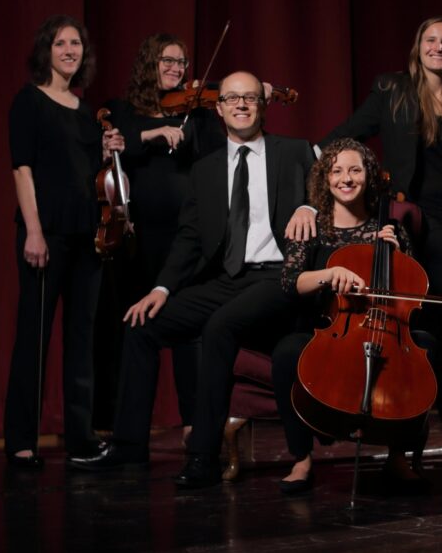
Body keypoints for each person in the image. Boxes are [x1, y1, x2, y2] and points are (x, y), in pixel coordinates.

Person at [68, 70, 315, 489]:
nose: (241, 104)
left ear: (263, 105)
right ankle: (129, 445)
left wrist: (310, 205)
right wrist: (161, 289)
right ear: (218, 109)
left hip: (278, 276)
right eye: (232, 98)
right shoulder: (205, 170)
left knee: (219, 326)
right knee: (141, 326)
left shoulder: (295, 153)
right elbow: (188, 237)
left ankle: (202, 456)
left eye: (250, 98)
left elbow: (336, 191)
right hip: (226, 279)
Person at [305, 16, 442, 466]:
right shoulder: (392, 90)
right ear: (418, 47)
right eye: (431, 40)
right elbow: (343, 136)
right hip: (424, 225)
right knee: (439, 328)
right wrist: (305, 181)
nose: (439, 48)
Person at [272, 138, 435, 494]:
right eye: (337, 171)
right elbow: (290, 282)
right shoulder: (311, 226)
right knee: (286, 352)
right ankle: (301, 458)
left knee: (427, 347)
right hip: (328, 327)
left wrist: (396, 254)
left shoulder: (390, 229)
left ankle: (398, 455)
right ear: (325, 178)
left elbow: (412, 291)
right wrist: (330, 275)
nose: (346, 178)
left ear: (369, 176)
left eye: (355, 170)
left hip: (384, 328)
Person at [5, 14, 125, 468]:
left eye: (77, 43)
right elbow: (23, 170)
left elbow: (91, 178)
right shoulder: (28, 103)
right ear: (46, 51)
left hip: (88, 238)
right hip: (47, 233)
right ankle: (21, 439)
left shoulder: (88, 113)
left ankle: (81, 437)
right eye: (61, 44)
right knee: (33, 338)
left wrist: (108, 151)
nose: (70, 50)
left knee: (82, 339)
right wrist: (34, 232)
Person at [102, 33, 226, 439]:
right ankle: (128, 432)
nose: (176, 69)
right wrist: (155, 134)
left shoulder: (199, 115)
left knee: (190, 330)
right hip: (139, 235)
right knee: (135, 327)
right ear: (148, 65)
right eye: (167, 61)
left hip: (187, 237)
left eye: (181, 62)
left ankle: (195, 424)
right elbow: (116, 147)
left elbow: (214, 158)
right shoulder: (124, 111)